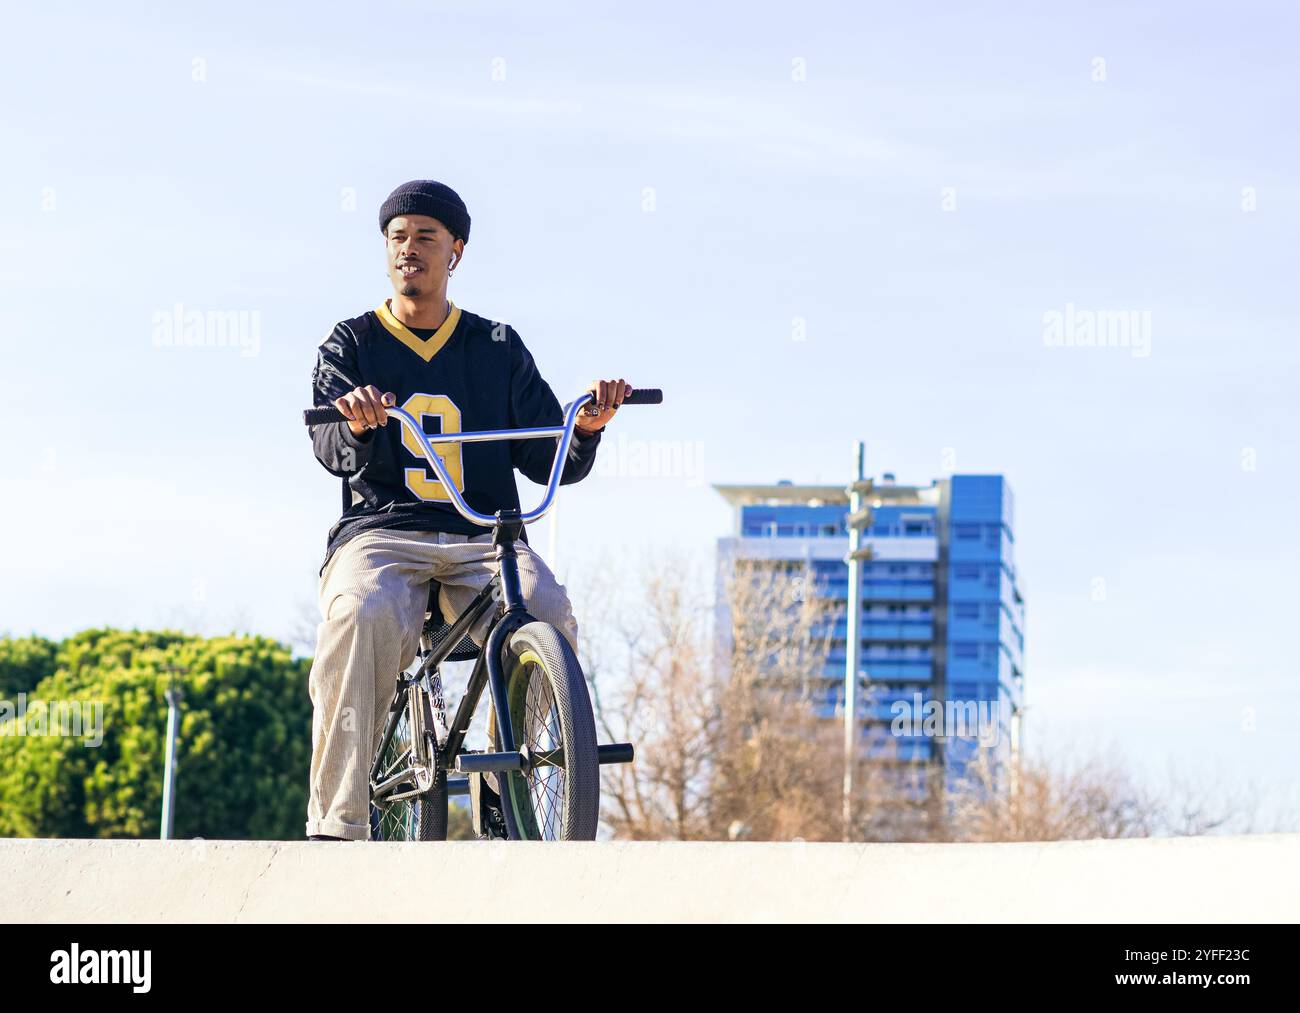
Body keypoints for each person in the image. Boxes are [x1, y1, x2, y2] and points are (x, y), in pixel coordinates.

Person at [305, 179, 630, 841]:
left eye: (426, 236)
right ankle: (336, 824)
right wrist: (362, 426)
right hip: (382, 532)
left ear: (456, 250)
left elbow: (549, 456)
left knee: (546, 610)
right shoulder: (350, 344)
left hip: (484, 537)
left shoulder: (496, 345)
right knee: (359, 613)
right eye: (397, 237)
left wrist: (588, 424)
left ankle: (500, 801)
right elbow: (329, 446)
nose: (409, 250)